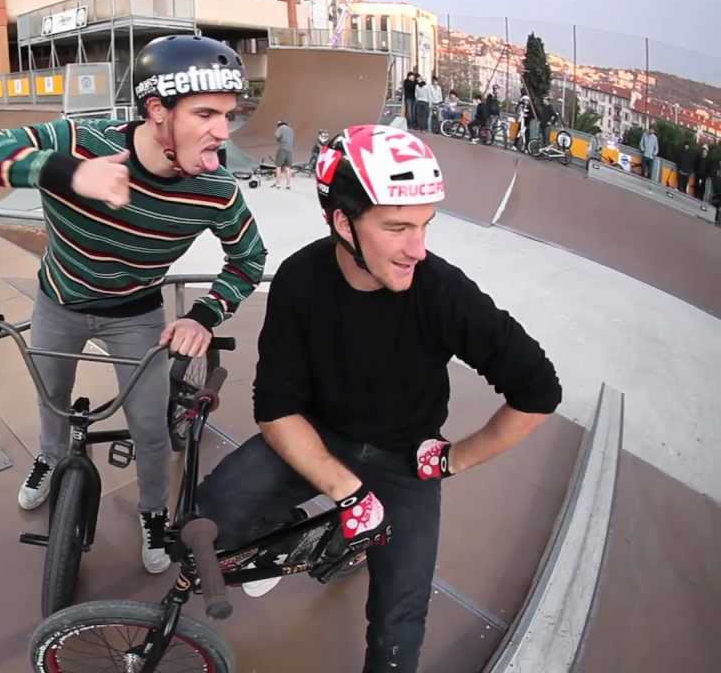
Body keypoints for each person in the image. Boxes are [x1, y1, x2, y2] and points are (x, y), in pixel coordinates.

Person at [197, 124, 562, 673]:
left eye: (424, 226)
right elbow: (276, 408)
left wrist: (455, 459)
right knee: (210, 515)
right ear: (342, 222)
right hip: (318, 435)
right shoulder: (300, 280)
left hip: (406, 461)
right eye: (397, 228)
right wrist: (346, 492)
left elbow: (539, 392)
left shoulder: (442, 291)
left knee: (398, 627)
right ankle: (298, 525)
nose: (418, 249)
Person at [0, 34, 267, 574]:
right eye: (206, 113)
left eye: (228, 115)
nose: (222, 133)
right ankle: (48, 458)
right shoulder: (80, 142)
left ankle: (154, 513)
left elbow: (248, 259)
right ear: (156, 111)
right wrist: (67, 172)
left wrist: (203, 316)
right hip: (58, 301)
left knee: (150, 426)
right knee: (52, 401)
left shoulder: (217, 190)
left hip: (136, 315)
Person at [275, 119, 295, 189]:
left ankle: (278, 184)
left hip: (282, 149)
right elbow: (293, 141)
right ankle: (288, 184)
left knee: (278, 167)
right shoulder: (291, 130)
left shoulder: (280, 128)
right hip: (289, 150)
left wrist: (280, 140)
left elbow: (277, 136)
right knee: (288, 168)